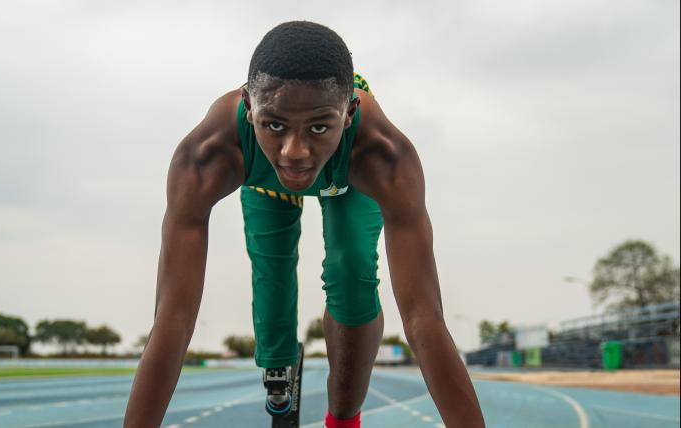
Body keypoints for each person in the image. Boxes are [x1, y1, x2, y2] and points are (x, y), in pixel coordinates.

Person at [124, 21, 485, 428]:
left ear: (349, 114)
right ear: (248, 107)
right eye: (274, 125)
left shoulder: (383, 156)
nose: (294, 152)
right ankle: (279, 374)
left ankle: (344, 419)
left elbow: (424, 316)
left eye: (318, 127)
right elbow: (173, 317)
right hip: (263, 180)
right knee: (272, 277)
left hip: (345, 177)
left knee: (351, 274)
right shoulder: (210, 153)